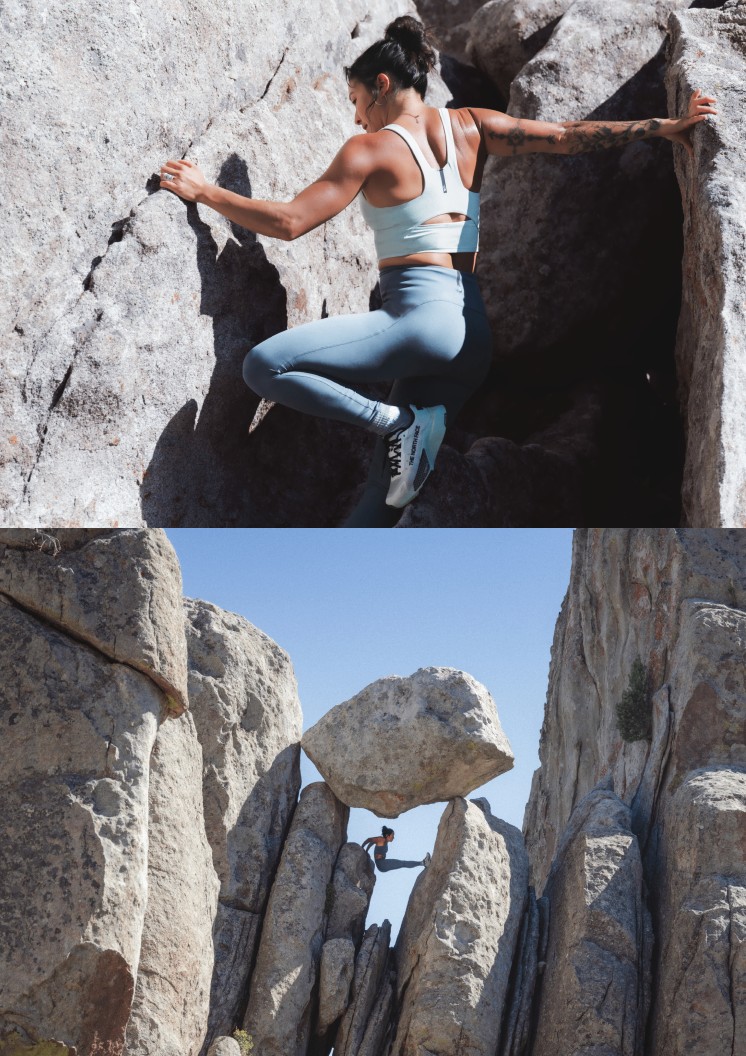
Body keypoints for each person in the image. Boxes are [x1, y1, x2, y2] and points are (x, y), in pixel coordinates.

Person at [159, 17, 717, 526]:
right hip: (471, 338)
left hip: (417, 318)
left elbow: (288, 222)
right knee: (385, 497)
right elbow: (568, 138)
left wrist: (206, 191)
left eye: (356, 99)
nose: (355, 116)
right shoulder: (474, 125)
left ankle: (395, 424)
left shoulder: (369, 149)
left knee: (265, 366)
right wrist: (664, 125)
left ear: (381, 85)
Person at [362, 825, 431, 872]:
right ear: (387, 835)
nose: (393, 837)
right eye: (392, 835)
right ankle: (424, 863)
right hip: (382, 864)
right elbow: (369, 840)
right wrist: (363, 849)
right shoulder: (381, 839)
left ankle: (423, 863)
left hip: (382, 864)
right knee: (403, 863)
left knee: (403, 863)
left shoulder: (383, 841)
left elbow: (372, 842)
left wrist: (367, 851)